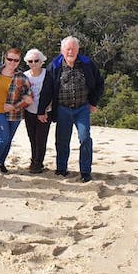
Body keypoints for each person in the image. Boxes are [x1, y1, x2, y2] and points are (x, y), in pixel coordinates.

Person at [40, 36, 105, 182]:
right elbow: (47, 89)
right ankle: (61, 169)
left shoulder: (87, 64)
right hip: (63, 109)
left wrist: (93, 103)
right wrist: (41, 110)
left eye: (74, 49)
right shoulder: (54, 66)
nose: (71, 52)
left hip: (82, 108)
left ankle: (85, 172)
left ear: (78, 50)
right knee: (62, 140)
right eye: (68, 49)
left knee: (85, 138)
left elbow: (100, 83)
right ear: (62, 50)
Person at [0, 48, 33, 174]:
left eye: (15, 60)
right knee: (3, 138)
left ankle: (1, 163)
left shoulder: (22, 77)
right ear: (4, 59)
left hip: (15, 114)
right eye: (9, 59)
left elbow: (29, 98)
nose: (12, 62)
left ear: (19, 61)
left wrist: (15, 106)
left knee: (8, 139)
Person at [23, 48, 53, 174]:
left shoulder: (48, 75)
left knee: (41, 138)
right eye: (30, 61)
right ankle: (34, 159)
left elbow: (52, 93)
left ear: (42, 61)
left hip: (44, 112)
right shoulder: (25, 76)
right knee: (32, 137)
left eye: (36, 60)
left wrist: (46, 110)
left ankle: (38, 163)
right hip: (29, 111)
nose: (33, 63)